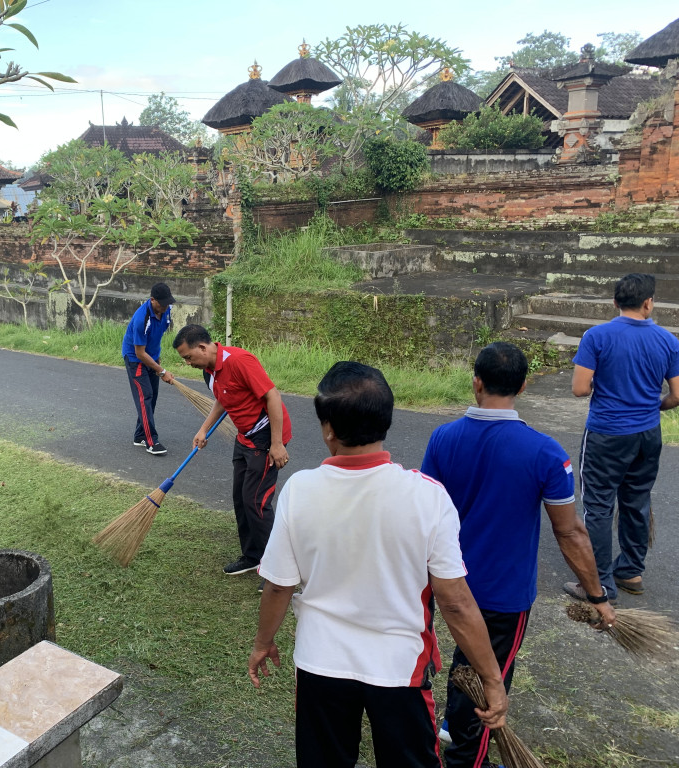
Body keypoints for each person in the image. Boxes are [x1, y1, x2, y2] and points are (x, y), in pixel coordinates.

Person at [248, 361, 507, 768]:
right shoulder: (428, 496)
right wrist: (492, 679)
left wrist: (264, 642)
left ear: (328, 428)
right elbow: (455, 602)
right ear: (386, 419)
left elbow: (279, 585)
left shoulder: (300, 489)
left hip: (321, 663)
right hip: (400, 668)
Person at [420, 342, 615, 768]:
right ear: (524, 386)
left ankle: (454, 723)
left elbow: (425, 508)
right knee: (490, 683)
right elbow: (570, 532)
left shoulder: (442, 438)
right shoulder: (545, 452)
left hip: (450, 584)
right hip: (503, 594)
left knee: (465, 657)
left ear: (476, 383)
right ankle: (467, 757)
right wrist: (597, 596)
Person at [569, 273, 679, 600]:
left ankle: (601, 582)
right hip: (648, 433)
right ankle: (631, 570)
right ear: (648, 303)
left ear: (615, 302)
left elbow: (578, 389)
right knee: (636, 500)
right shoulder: (668, 340)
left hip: (607, 433)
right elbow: (676, 396)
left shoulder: (597, 337)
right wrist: (652, 406)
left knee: (599, 505)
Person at [172, 324, 291, 578]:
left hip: (265, 436)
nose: (188, 363)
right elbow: (223, 398)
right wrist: (203, 429)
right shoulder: (209, 371)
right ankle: (252, 556)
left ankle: (276, 567)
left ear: (202, 347)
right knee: (240, 498)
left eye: (188, 357)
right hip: (244, 437)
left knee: (256, 502)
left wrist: (277, 443)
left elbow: (273, 396)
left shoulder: (239, 361)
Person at [122, 282, 176, 455]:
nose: (165, 306)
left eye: (167, 303)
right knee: (145, 397)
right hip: (135, 359)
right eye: (161, 303)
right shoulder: (141, 319)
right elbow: (139, 353)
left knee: (152, 396)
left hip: (151, 356)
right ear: (152, 300)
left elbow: (157, 337)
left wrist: (157, 362)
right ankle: (151, 441)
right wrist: (161, 371)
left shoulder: (166, 310)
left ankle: (139, 436)